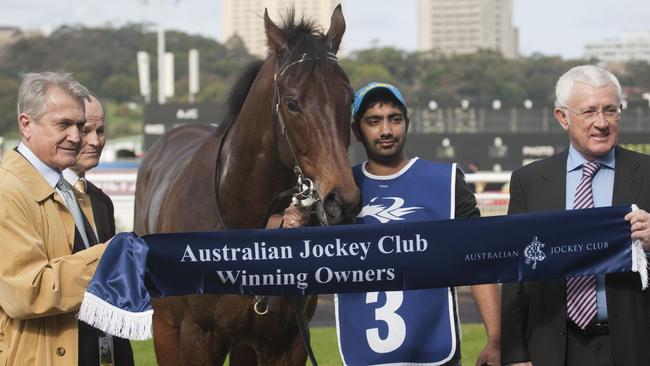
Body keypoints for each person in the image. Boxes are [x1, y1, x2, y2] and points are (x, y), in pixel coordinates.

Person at [335, 82, 501, 366]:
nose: (386, 131)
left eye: (394, 119)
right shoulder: (341, 191)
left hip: (436, 354)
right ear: (356, 131)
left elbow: (479, 262)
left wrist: (496, 339)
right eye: (374, 121)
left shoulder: (446, 181)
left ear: (406, 123)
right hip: (363, 355)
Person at [500, 65, 650, 366]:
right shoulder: (528, 181)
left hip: (634, 345)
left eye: (610, 110)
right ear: (562, 118)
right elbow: (515, 275)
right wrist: (516, 354)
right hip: (553, 348)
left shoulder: (647, 172)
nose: (602, 122)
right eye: (589, 111)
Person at [0, 72, 108, 366]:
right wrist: (111, 257)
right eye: (63, 124)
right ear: (26, 125)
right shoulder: (6, 193)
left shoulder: (72, 191)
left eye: (80, 125)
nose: (76, 137)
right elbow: (29, 293)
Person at [63, 94, 135, 365]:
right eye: (86, 131)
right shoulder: (40, 201)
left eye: (101, 130)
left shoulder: (101, 202)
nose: (95, 141)